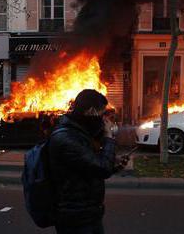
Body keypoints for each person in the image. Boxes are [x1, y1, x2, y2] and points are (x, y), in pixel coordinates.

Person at [48, 89, 128, 234]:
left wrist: (114, 164)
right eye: (102, 114)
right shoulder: (67, 138)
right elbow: (101, 168)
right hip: (76, 219)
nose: (104, 119)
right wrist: (109, 137)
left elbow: (90, 167)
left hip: (88, 214)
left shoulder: (79, 133)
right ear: (91, 111)